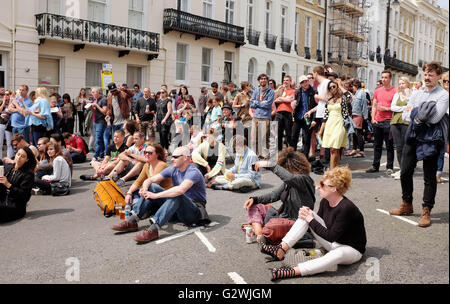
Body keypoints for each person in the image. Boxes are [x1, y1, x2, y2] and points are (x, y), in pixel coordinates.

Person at [263, 166, 366, 281]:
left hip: (350, 249)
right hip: (333, 243)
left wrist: (310, 220)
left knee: (338, 253)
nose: (318, 187)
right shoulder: (325, 202)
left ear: (334, 189)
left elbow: (331, 236)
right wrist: (307, 217)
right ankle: (281, 249)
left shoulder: (346, 208)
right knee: (307, 213)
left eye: (322, 185)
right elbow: (318, 227)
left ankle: (293, 271)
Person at [389, 62, 449, 228]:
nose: (428, 77)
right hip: (414, 135)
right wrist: (421, 112)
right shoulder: (417, 93)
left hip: (431, 139)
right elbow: (406, 115)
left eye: (431, 75)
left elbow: (435, 118)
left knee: (429, 177)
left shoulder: (443, 95)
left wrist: (416, 112)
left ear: (438, 76)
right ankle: (407, 203)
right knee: (405, 171)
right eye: (426, 75)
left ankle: (426, 209)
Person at [112, 146, 210, 243]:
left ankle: (154, 229)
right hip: (177, 206)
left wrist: (155, 196)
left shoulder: (193, 172)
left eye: (175, 157)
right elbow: (150, 180)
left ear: (185, 158)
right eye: (172, 156)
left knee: (176, 194)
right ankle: (132, 221)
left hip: (193, 211)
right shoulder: (172, 169)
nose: (172, 159)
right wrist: (145, 189)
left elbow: (180, 190)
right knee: (152, 186)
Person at [243, 147, 315, 243]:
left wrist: (269, 165)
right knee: (254, 207)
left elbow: (289, 178)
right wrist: (254, 199)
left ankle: (259, 231)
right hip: (281, 216)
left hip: (295, 222)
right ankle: (260, 234)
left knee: (272, 226)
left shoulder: (304, 180)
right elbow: (274, 195)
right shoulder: (289, 182)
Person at [111, 143, 173, 231]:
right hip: (153, 196)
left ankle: (133, 218)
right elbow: (138, 181)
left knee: (150, 187)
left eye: (150, 153)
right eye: (145, 152)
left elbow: (155, 185)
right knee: (133, 191)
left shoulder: (162, 165)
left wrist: (143, 190)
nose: (146, 154)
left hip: (164, 199)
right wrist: (129, 193)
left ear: (157, 154)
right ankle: (139, 212)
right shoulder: (147, 165)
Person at [366, 71, 396, 174]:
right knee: (377, 145)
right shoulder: (377, 91)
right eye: (382, 77)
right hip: (377, 121)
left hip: (389, 121)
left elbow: (397, 107)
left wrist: (386, 108)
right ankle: (375, 166)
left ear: (390, 79)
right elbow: (374, 106)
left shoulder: (395, 91)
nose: (383, 79)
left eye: (386, 77)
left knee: (389, 146)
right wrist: (373, 119)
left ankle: (390, 167)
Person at [317, 81, 350, 169]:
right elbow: (325, 117)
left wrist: (340, 86)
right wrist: (320, 132)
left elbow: (349, 96)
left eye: (333, 86)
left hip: (339, 124)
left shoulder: (343, 99)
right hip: (329, 125)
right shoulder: (328, 100)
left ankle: (331, 172)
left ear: (337, 87)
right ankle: (336, 170)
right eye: (330, 87)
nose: (332, 89)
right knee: (335, 149)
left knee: (334, 149)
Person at [0, 147, 37, 223]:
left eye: (22, 156)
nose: (19, 158)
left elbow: (24, 196)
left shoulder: (28, 174)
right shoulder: (8, 168)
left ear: (27, 160)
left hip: (16, 206)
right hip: (2, 200)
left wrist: (8, 185)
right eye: (18, 154)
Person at [305, 66, 331, 160]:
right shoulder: (320, 85)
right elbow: (321, 104)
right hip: (319, 114)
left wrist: (317, 96)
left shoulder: (327, 83)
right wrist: (311, 111)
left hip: (327, 114)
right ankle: (322, 155)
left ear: (316, 73)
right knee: (318, 135)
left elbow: (330, 99)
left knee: (325, 137)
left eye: (313, 73)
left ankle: (326, 158)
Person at [389, 77, 411, 179]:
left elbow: (411, 106)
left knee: (405, 147)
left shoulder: (411, 94)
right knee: (398, 147)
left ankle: (405, 170)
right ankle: (402, 169)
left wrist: (407, 96)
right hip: (395, 121)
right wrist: (403, 108)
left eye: (403, 83)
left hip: (406, 122)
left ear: (407, 84)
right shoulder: (396, 94)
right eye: (400, 83)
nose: (401, 85)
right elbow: (392, 107)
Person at [250, 74, 275, 159]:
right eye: (261, 79)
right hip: (256, 116)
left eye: (265, 79)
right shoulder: (256, 91)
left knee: (264, 137)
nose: (263, 80)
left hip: (265, 116)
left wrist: (256, 102)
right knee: (254, 138)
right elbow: (251, 104)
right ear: (259, 80)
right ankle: (255, 154)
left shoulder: (271, 92)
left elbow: (268, 105)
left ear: (267, 81)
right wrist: (261, 103)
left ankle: (264, 155)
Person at [292, 75, 316, 155]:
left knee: (306, 138)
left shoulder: (313, 91)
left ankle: (306, 157)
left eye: (306, 81)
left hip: (308, 117)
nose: (305, 83)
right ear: (300, 84)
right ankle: (292, 155)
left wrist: (314, 120)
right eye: (303, 82)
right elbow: (296, 102)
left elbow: (316, 106)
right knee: (294, 136)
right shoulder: (298, 91)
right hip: (298, 116)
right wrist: (293, 105)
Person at [347, 79, 368, 158]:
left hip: (358, 115)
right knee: (354, 133)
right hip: (354, 114)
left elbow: (364, 105)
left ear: (356, 86)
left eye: (352, 86)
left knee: (358, 133)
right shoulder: (356, 93)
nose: (352, 88)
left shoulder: (362, 93)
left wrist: (364, 117)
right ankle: (354, 149)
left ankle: (361, 151)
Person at [274, 76, 295, 151]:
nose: (285, 82)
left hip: (288, 113)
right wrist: (285, 99)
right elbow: (275, 100)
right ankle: (279, 151)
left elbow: (290, 100)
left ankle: (290, 151)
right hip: (279, 113)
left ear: (290, 82)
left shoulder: (292, 90)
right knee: (278, 134)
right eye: (284, 80)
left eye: (287, 80)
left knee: (288, 134)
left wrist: (281, 99)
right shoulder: (280, 91)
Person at [436, 72, 449, 183]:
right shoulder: (440, 94)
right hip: (442, 123)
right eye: (445, 81)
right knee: (440, 150)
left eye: (449, 81)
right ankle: (438, 173)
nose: (446, 83)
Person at [90, 86, 108, 161]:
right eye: (92, 92)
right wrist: (92, 108)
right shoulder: (96, 99)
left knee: (98, 139)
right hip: (96, 120)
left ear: (98, 92)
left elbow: (104, 111)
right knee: (100, 139)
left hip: (101, 121)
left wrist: (96, 105)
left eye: (94, 92)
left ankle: (96, 155)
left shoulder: (103, 99)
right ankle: (102, 154)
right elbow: (95, 111)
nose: (92, 94)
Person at [156, 88, 173, 153]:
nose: (161, 94)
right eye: (160, 92)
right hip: (159, 119)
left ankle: (166, 149)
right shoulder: (159, 100)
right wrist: (155, 120)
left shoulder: (168, 100)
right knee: (160, 134)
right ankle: (162, 149)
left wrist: (164, 119)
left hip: (166, 120)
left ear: (166, 93)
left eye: (163, 92)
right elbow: (157, 111)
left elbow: (169, 111)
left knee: (164, 134)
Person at [0, 90, 14, 159]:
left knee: (9, 143)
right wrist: (3, 102)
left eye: (7, 94)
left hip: (9, 124)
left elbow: (10, 110)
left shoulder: (12, 102)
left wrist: (10, 101)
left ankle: (9, 159)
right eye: (4, 94)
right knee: (0, 143)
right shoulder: (1, 102)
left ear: (10, 95)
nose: (5, 96)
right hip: (1, 124)